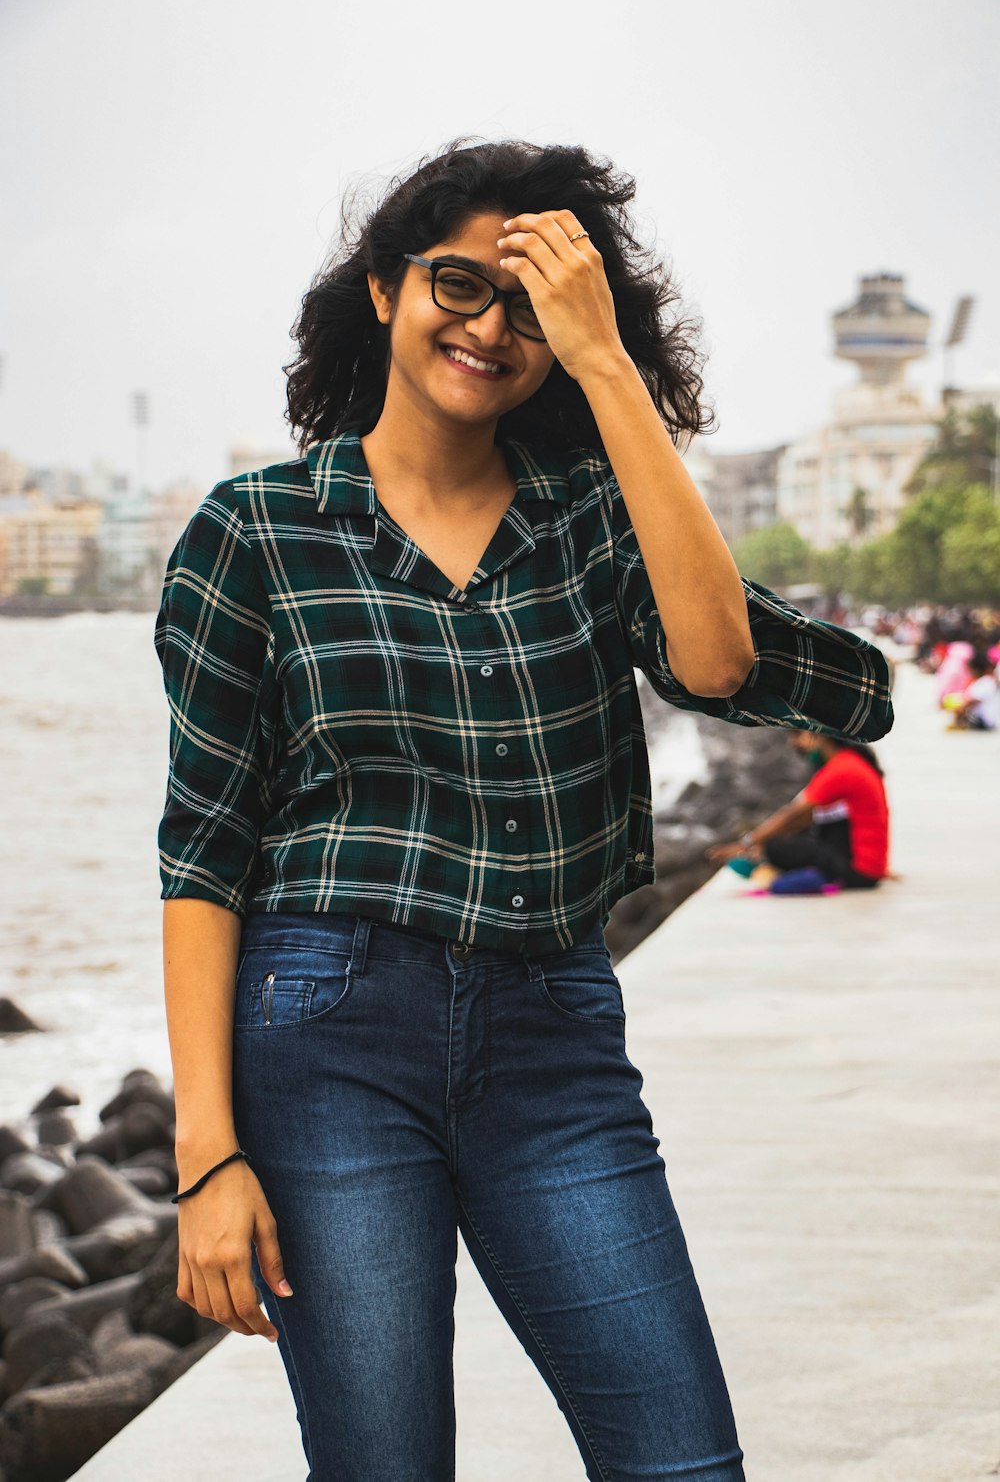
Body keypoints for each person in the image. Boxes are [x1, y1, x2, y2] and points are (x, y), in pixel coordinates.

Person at [154, 138, 894, 1482]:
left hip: (553, 1038)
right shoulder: (255, 532)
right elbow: (203, 852)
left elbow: (723, 661)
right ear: (382, 290)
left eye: (533, 309)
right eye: (457, 285)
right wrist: (207, 1162)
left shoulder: (591, 521)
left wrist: (607, 363)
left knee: (681, 1463)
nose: (490, 329)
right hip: (328, 1041)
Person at [707, 730, 891, 892]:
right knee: (796, 838)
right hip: (869, 868)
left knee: (776, 848)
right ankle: (773, 866)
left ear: (820, 736)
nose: (793, 742)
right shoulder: (852, 761)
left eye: (798, 734)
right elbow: (804, 819)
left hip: (860, 872)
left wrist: (746, 844)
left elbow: (793, 815)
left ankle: (762, 867)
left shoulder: (842, 768)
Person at [943, 648, 999, 731]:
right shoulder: (985, 681)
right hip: (988, 721)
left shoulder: (985, 682)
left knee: (961, 707)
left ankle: (959, 724)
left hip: (984, 721)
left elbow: (970, 701)